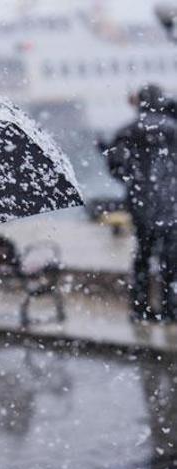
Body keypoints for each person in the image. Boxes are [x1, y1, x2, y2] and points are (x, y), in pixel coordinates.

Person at [103, 84, 177, 322]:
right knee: (170, 258)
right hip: (171, 203)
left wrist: (134, 180)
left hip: (141, 202)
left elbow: (116, 169)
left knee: (143, 255)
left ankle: (140, 308)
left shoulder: (127, 131)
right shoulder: (173, 129)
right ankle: (170, 308)